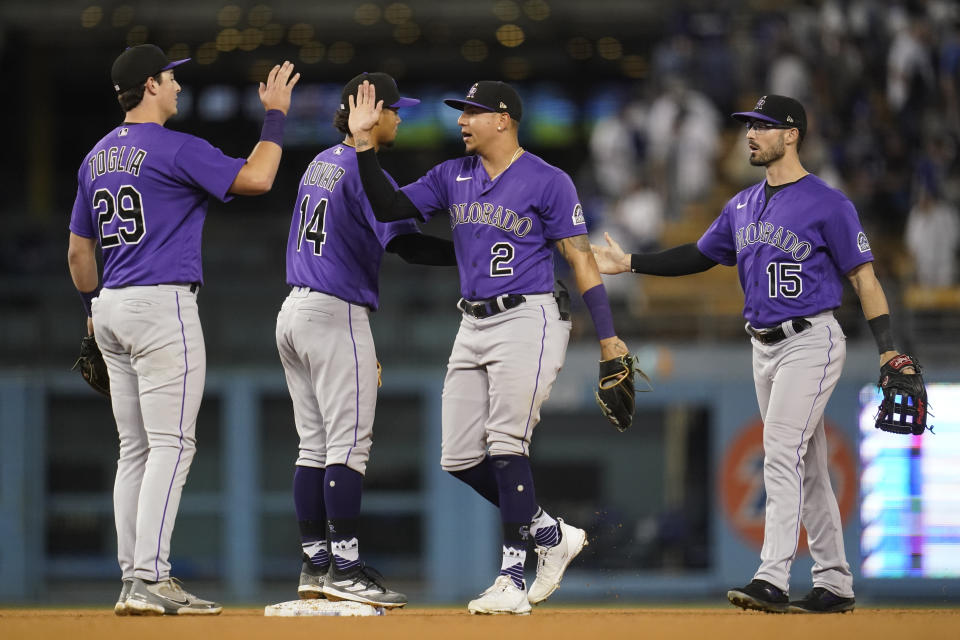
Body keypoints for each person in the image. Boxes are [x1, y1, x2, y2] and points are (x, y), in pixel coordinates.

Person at [593, 94, 914, 614]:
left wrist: (888, 351)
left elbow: (865, 279)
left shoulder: (829, 203)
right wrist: (629, 261)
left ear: (791, 134)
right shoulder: (741, 204)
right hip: (762, 346)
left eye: (762, 126)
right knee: (805, 465)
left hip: (813, 338)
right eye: (748, 125)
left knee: (780, 451)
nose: (749, 134)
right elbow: (698, 255)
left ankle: (773, 577)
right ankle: (835, 582)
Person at [347, 80, 631, 614]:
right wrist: (363, 145)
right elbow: (387, 207)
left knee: (505, 444)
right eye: (460, 112)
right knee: (457, 456)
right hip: (472, 322)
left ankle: (511, 578)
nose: (461, 120)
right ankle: (549, 534)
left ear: (503, 119)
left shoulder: (549, 180)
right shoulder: (450, 176)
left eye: (472, 112)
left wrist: (609, 338)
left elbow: (581, 259)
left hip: (531, 315)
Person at [66, 44, 299, 615]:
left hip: (112, 306)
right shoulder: (174, 147)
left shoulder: (94, 157)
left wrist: (94, 303)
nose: (177, 87)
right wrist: (276, 114)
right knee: (172, 444)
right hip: (160, 306)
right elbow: (259, 178)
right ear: (149, 85)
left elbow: (77, 255)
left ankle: (130, 579)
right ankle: (152, 577)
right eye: (170, 79)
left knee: (134, 450)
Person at [276, 72, 457, 609]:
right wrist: (470, 253)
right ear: (371, 112)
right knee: (349, 447)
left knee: (314, 446)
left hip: (293, 310)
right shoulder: (359, 166)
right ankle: (346, 569)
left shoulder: (323, 161)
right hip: (335, 311)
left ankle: (315, 564)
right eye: (396, 109)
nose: (402, 117)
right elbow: (408, 246)